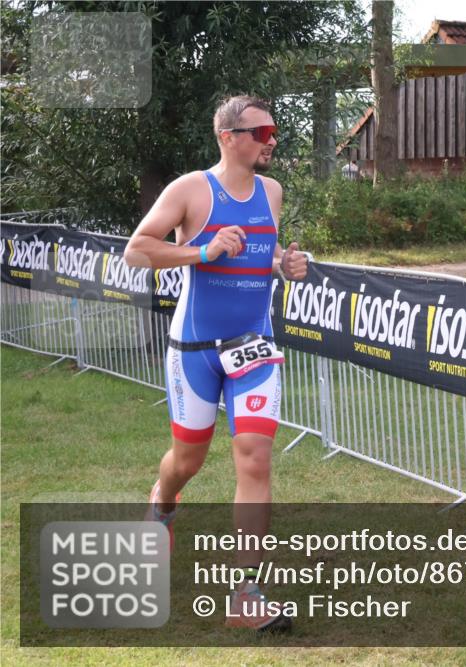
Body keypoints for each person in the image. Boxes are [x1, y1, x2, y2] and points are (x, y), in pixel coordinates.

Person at [124, 95, 308, 632]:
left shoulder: (271, 191)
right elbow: (138, 250)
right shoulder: (190, 190)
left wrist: (285, 263)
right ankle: (162, 500)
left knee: (254, 459)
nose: (270, 139)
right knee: (187, 461)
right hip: (196, 351)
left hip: (254, 347)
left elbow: (260, 255)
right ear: (228, 136)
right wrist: (202, 252)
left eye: (273, 130)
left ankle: (246, 595)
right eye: (261, 130)